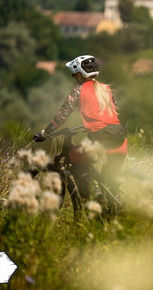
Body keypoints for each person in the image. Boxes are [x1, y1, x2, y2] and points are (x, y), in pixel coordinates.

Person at [34, 55, 127, 198]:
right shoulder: (106, 89)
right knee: (107, 181)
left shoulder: (78, 91)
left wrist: (44, 134)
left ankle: (94, 191)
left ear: (79, 75)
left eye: (74, 75)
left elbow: (62, 115)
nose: (74, 78)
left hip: (98, 143)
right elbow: (111, 112)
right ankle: (113, 201)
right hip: (121, 142)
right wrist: (90, 124)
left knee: (73, 157)